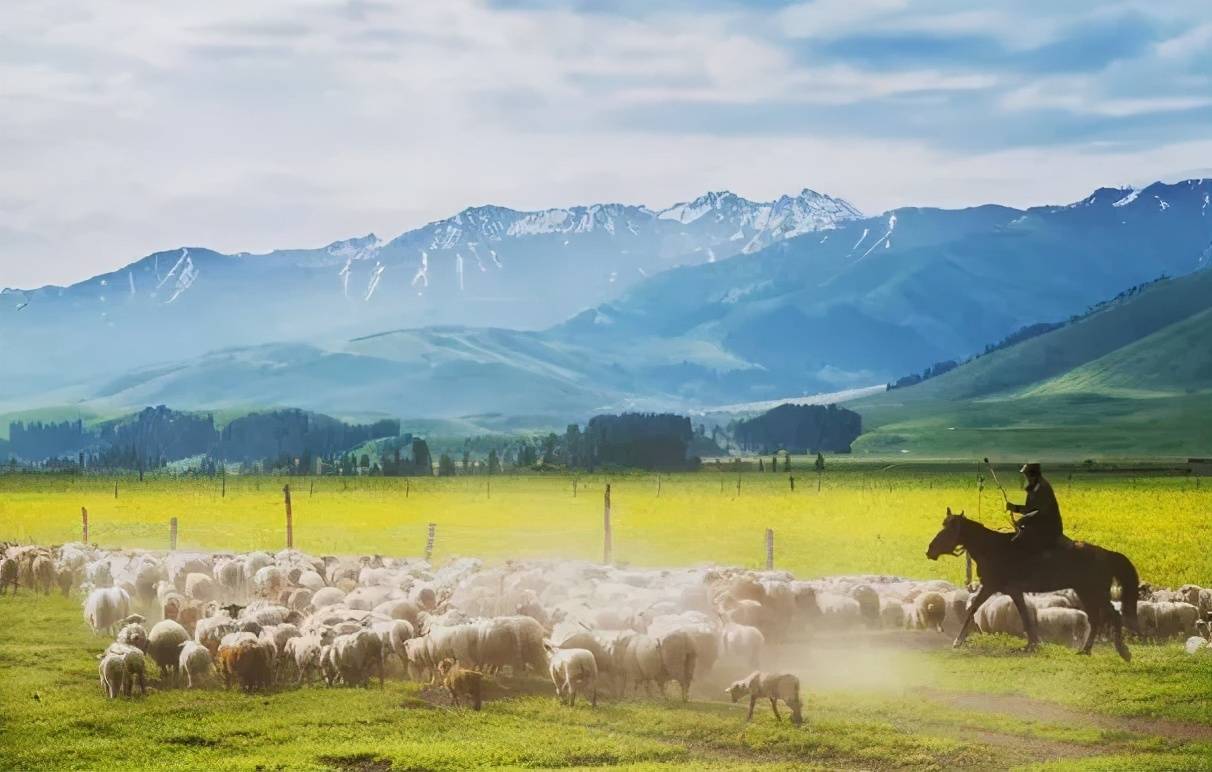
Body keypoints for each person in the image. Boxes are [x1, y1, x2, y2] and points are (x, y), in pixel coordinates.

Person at [1005, 463, 1066, 554]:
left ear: (1033, 475)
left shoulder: (1042, 488)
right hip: (1041, 525)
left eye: (1027, 475)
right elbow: (1030, 509)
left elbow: (1037, 512)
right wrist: (1015, 508)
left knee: (1022, 546)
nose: (1026, 478)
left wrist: (1022, 519)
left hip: (1049, 528)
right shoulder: (1035, 487)